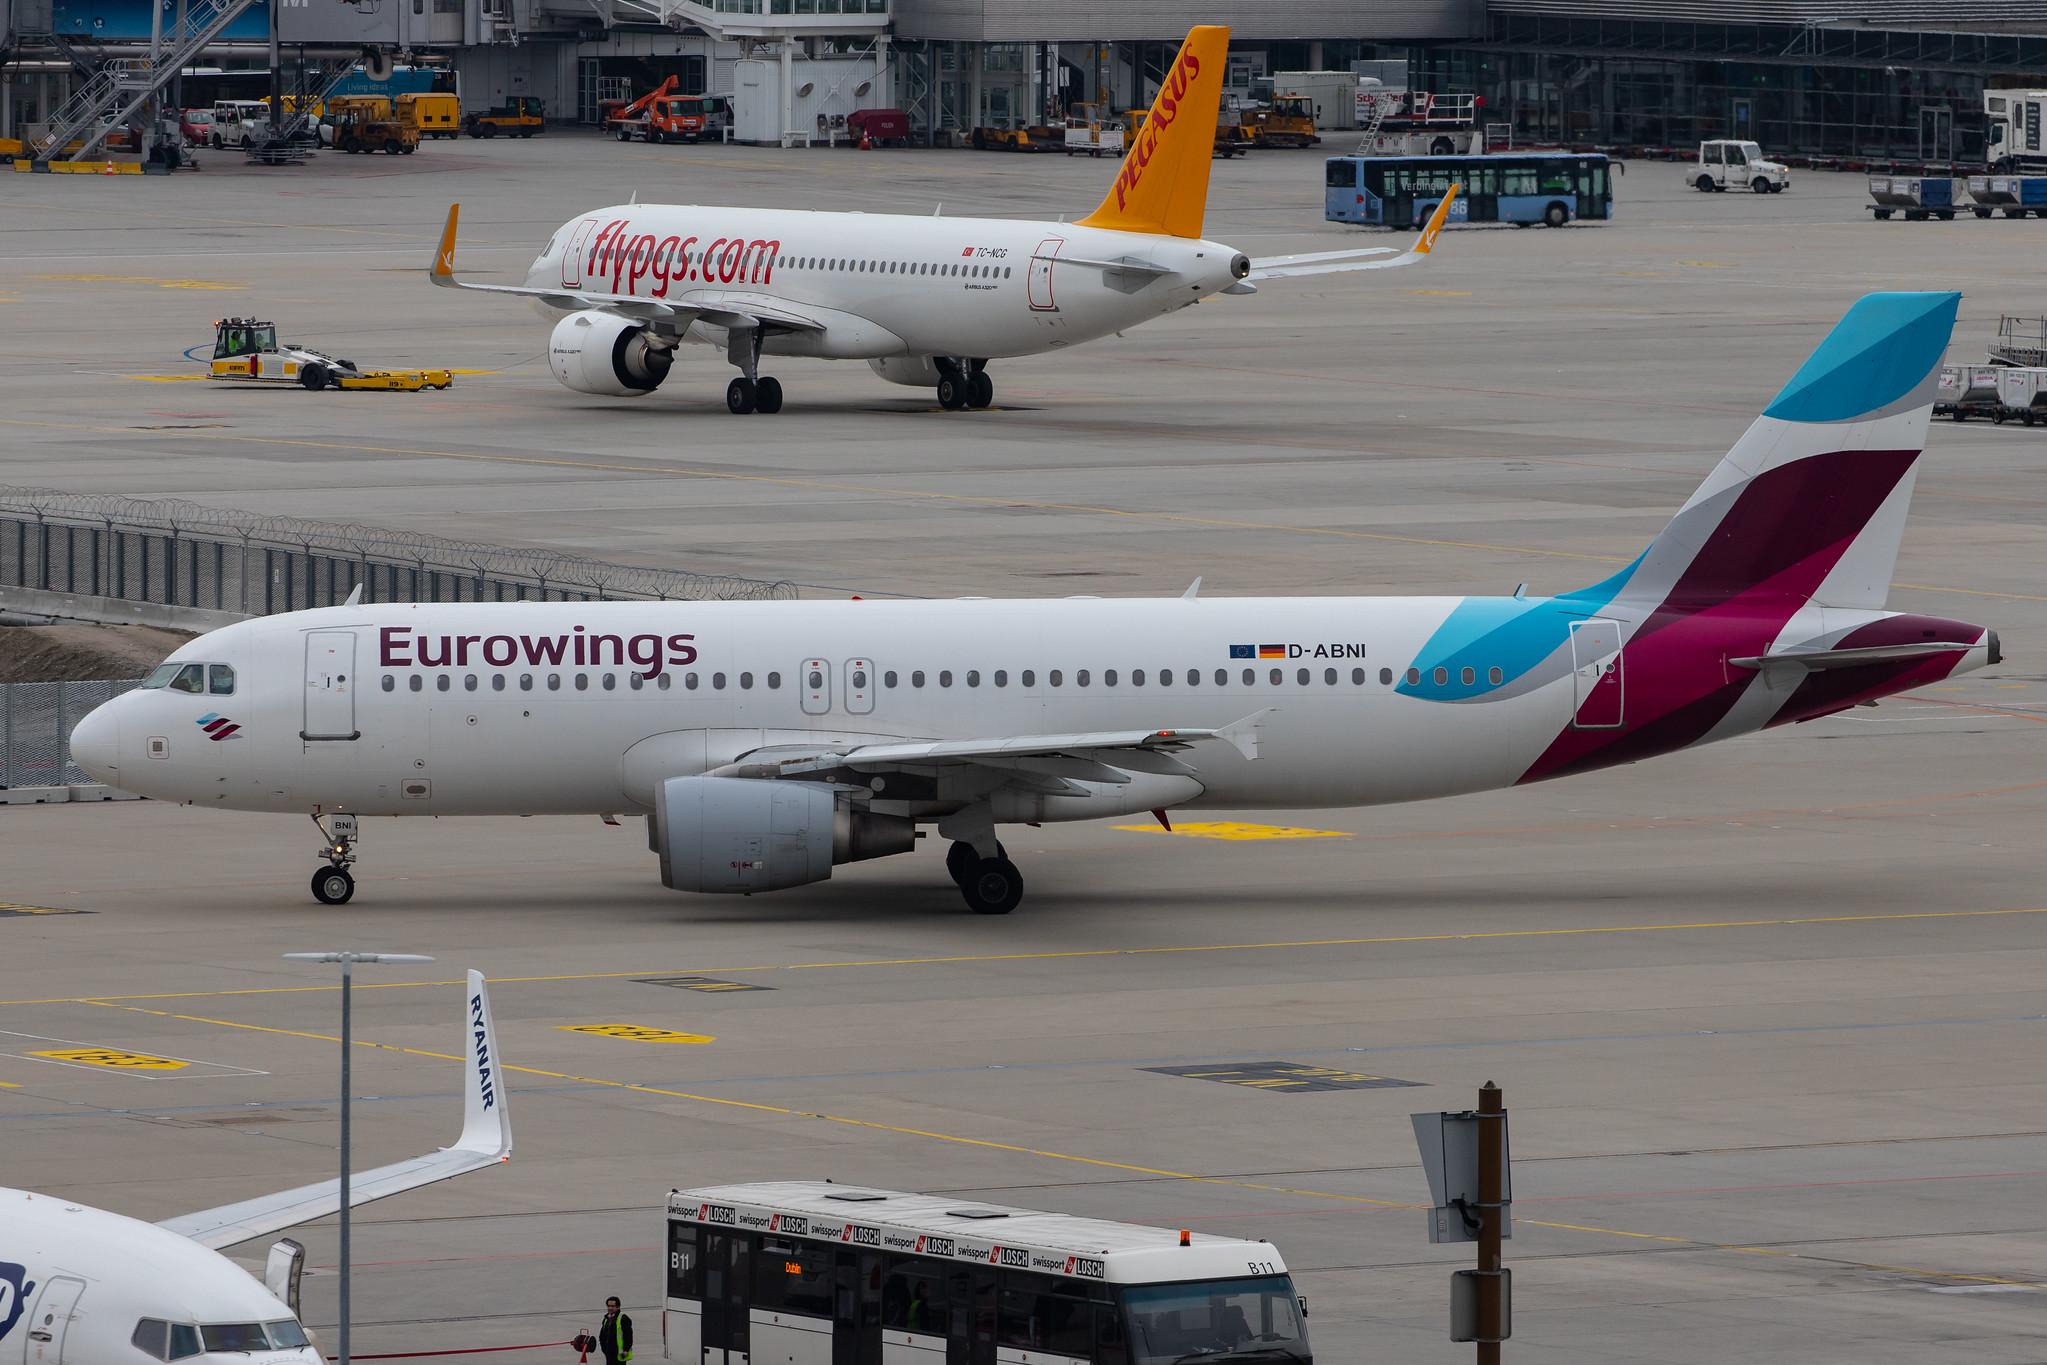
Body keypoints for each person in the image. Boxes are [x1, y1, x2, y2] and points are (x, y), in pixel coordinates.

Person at [587, 1297, 632, 1364]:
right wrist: (604, 1348)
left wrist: (626, 1350)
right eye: (608, 1306)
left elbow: (628, 1336)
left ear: (618, 1307)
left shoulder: (623, 1318)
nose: (610, 1308)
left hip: (620, 1353)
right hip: (608, 1352)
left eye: (612, 1306)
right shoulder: (606, 1318)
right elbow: (602, 1335)